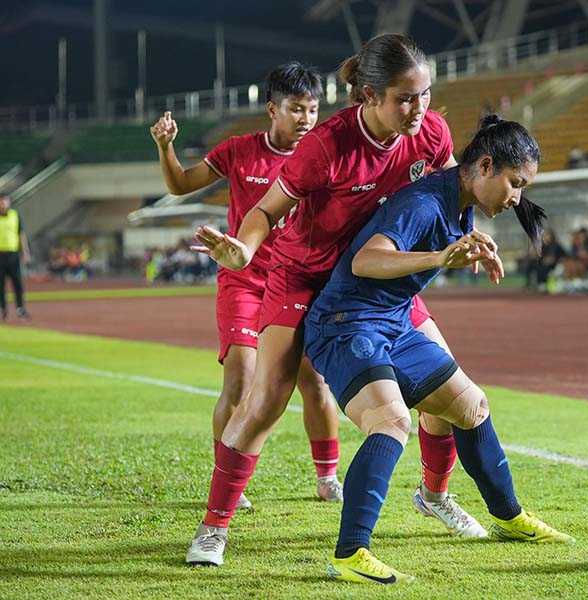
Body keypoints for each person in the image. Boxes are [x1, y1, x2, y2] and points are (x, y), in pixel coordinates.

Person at [187, 34, 488, 567]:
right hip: (304, 277)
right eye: (404, 98)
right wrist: (243, 249)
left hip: (378, 283)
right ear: (367, 96)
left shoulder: (432, 134)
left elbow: (443, 198)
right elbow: (265, 210)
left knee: (442, 378)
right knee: (266, 400)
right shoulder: (326, 144)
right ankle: (214, 529)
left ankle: (435, 496)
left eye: (425, 94)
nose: (419, 109)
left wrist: (462, 241)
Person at [306, 115, 573, 584]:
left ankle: (509, 517)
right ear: (486, 165)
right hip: (346, 324)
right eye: (515, 183)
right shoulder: (427, 202)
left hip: (392, 323)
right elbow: (368, 259)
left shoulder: (460, 203)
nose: (516, 198)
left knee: (471, 407)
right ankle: (350, 552)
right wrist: (439, 257)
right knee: (391, 422)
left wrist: (472, 246)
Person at [150, 63, 344, 513]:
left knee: (312, 379)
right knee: (239, 380)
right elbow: (180, 183)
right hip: (243, 280)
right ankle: (230, 480)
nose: (306, 119)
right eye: (297, 109)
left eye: (313, 110)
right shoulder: (240, 150)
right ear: (272, 109)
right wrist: (166, 147)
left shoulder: (321, 156)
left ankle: (327, 476)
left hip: (297, 280)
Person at [0, 195, 30, 320]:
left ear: (9, 203)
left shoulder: (15, 215)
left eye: (5, 202)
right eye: (1, 202)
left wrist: (25, 251)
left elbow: (21, 234)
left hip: (13, 255)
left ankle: (20, 308)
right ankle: (3, 309)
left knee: (17, 283)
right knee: (0, 285)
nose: (3, 204)